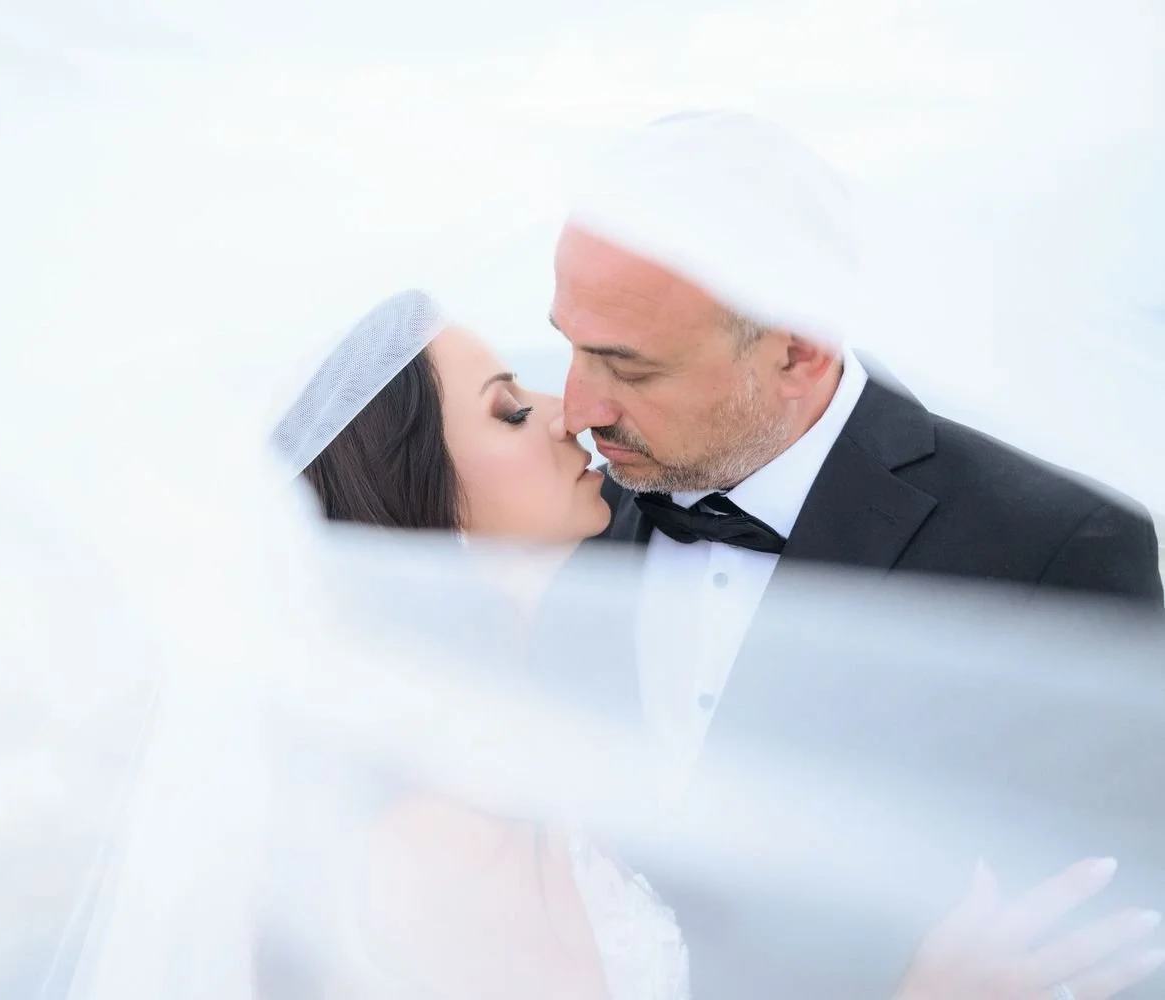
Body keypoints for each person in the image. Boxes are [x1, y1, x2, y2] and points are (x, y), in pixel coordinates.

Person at [260, 289, 1163, 1000]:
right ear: (418, 503)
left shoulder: (529, 718)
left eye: (620, 360)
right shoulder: (440, 836)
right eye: (508, 410)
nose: (567, 411)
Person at [544, 111, 1165, 999]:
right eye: (568, 344)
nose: (578, 410)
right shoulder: (560, 519)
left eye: (630, 368)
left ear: (799, 350)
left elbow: (1112, 940)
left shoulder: (1054, 550)